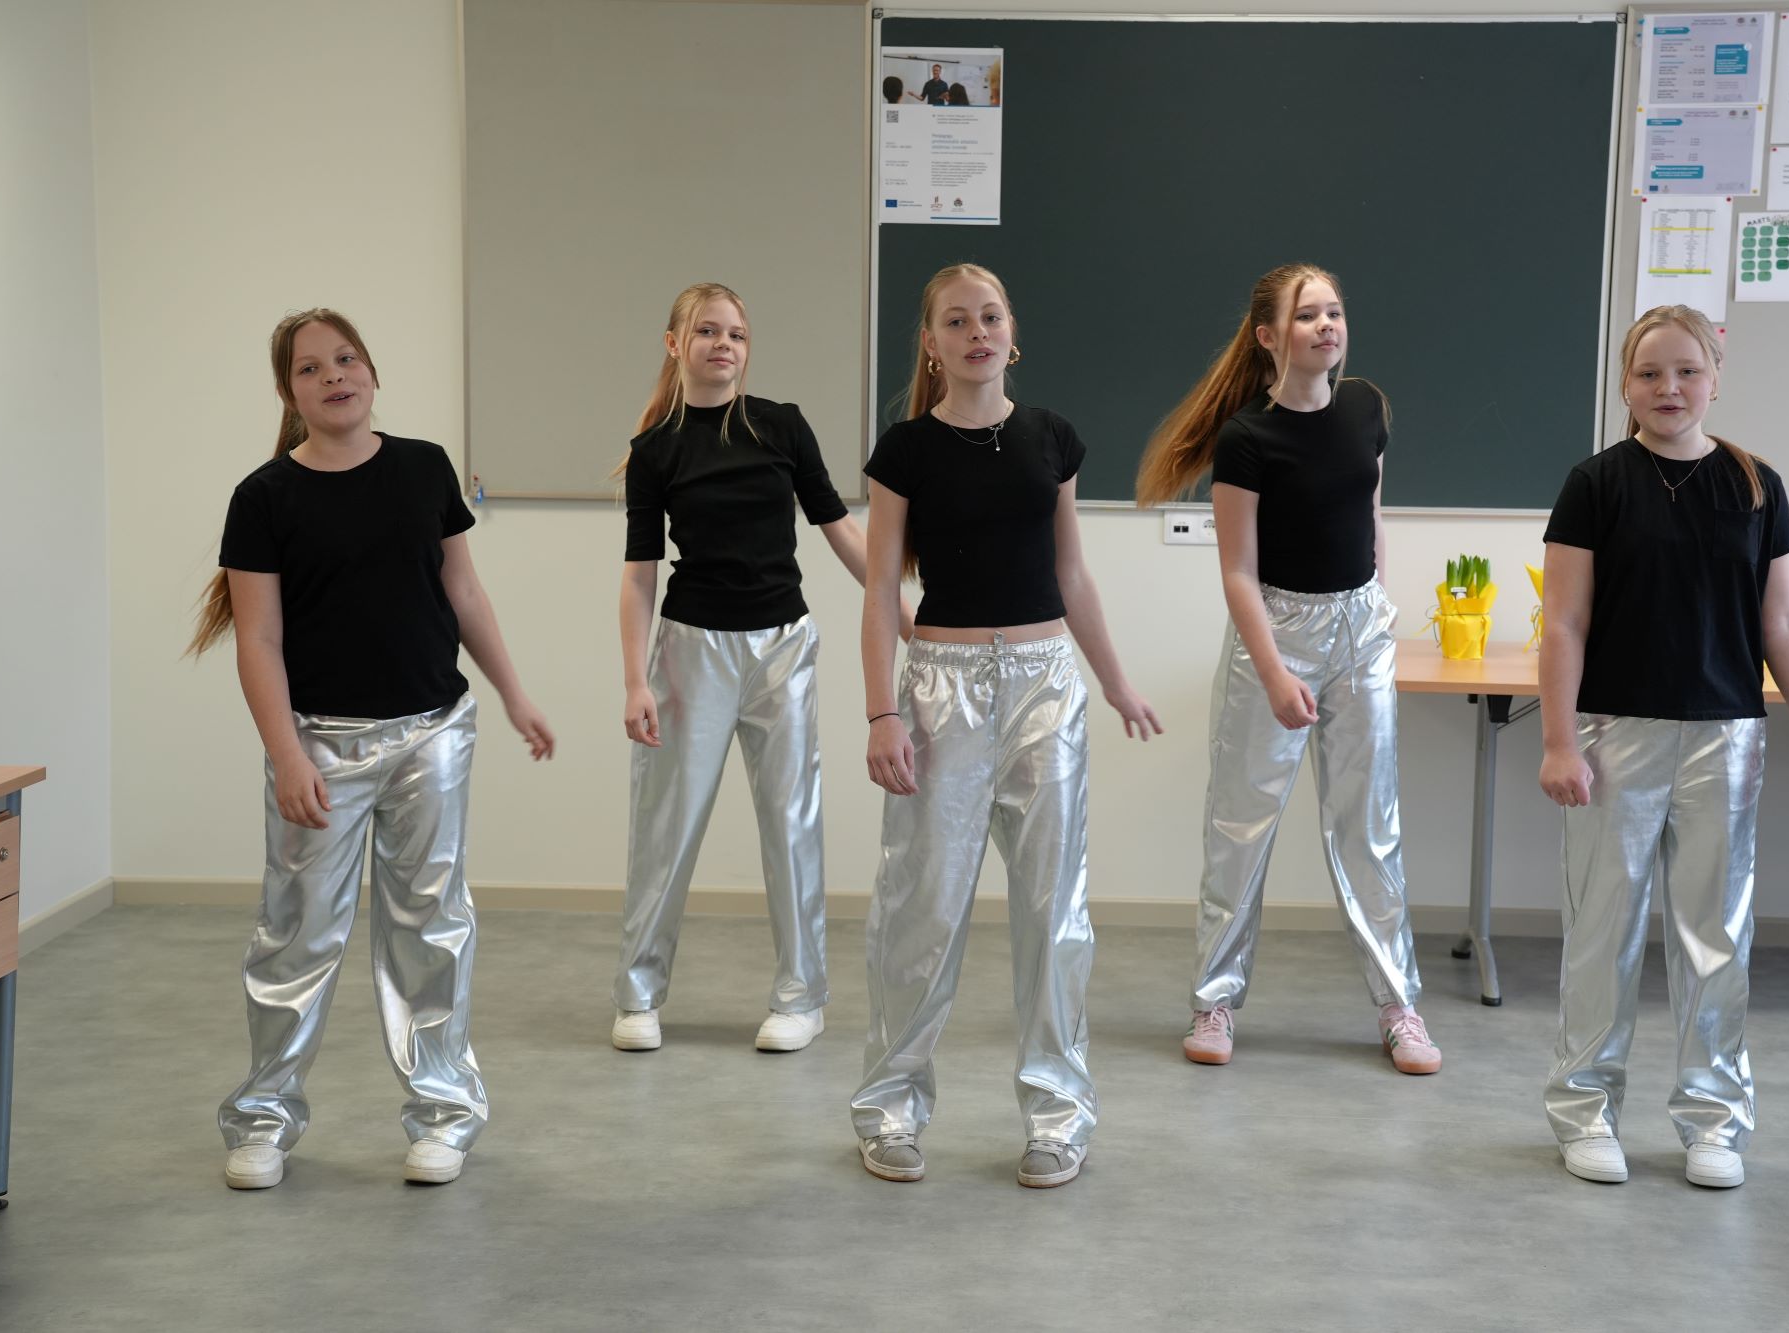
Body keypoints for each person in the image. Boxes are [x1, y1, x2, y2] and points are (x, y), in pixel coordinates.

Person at [192, 308, 555, 1191]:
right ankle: (263, 1119)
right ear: (289, 393)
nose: (334, 377)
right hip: (321, 744)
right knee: (297, 931)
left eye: (346, 359)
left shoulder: (425, 468)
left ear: (372, 371)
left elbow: (464, 592)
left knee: (431, 926)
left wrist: (515, 693)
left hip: (433, 733)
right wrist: (288, 754)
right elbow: (258, 640)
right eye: (310, 368)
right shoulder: (264, 497)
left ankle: (443, 1114)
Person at [852, 262, 1162, 1189]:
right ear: (931, 343)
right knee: (922, 908)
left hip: (1043, 688)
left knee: (1054, 912)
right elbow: (880, 590)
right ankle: (891, 1108)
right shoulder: (905, 449)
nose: (976, 332)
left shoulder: (1050, 438)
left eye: (990, 316)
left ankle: (1058, 1116)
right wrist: (881, 710)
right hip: (940, 691)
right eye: (957, 320)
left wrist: (1115, 683)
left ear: (1011, 332)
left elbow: (1072, 574)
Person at [1538, 303, 1789, 1189]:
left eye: (1686, 371)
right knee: (1602, 930)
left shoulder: (1756, 485)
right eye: (1649, 373)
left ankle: (1714, 1120)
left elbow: (1784, 625)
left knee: (1716, 933)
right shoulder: (1595, 483)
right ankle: (1584, 1110)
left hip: (1727, 737)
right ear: (1625, 386)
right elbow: (1563, 623)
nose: (1668, 388)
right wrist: (1558, 740)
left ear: (1715, 379)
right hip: (1614, 735)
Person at [1136, 263, 1440, 1076]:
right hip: (1276, 631)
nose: (1326, 325)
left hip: (1360, 631)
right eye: (1308, 315)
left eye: (1334, 311)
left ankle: (1399, 1005)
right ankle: (1215, 999)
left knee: (1369, 826)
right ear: (1269, 336)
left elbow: (1371, 514)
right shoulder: (1247, 438)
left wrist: (1378, 607)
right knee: (1240, 824)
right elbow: (1238, 571)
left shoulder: (1366, 407)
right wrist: (1274, 672)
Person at [612, 282, 909, 1056]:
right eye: (708, 331)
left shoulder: (781, 425)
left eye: (737, 334)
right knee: (666, 826)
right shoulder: (655, 451)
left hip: (782, 647)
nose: (724, 345)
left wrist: (901, 612)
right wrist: (636, 679)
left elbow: (841, 529)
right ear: (675, 343)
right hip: (690, 649)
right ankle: (638, 995)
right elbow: (640, 573)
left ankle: (801, 997)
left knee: (790, 822)